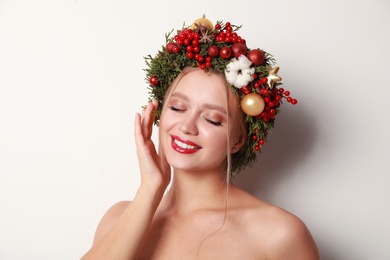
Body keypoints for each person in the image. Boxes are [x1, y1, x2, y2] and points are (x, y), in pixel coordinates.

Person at [81, 16, 319, 259]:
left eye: (213, 119)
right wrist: (150, 189)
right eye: (177, 108)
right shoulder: (119, 219)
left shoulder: (279, 234)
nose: (186, 126)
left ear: (238, 140)